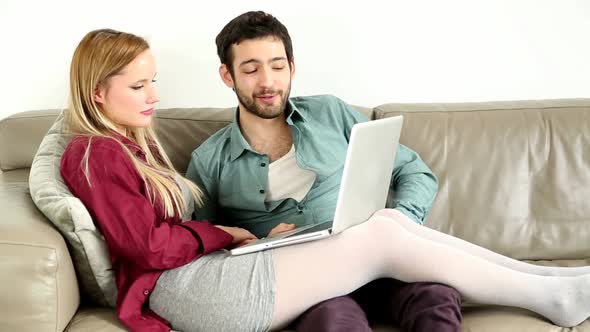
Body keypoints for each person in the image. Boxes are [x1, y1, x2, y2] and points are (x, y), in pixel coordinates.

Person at [60, 28, 590, 332]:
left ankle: (556, 284)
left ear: (292, 66)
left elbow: (413, 171)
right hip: (208, 285)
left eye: (154, 81)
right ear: (98, 93)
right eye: (139, 85)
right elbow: (151, 244)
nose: (154, 95)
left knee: (386, 229)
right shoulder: (102, 153)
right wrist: (237, 236)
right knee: (376, 237)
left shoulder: (130, 146)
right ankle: (551, 292)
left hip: (286, 264)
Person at [186, 11, 461, 331]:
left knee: (436, 297)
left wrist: (398, 224)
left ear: (291, 67)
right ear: (227, 75)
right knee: (336, 322)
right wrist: (262, 246)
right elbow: (199, 252)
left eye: (277, 66)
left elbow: (414, 171)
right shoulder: (208, 161)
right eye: (250, 69)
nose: (267, 82)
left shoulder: (331, 112)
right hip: (309, 286)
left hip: (380, 263)